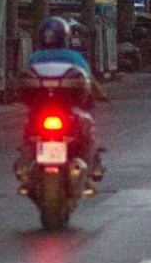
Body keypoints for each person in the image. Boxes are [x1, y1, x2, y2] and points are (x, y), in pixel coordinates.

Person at [27, 17, 107, 173]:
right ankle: (92, 160)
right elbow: (88, 79)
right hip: (69, 106)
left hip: (41, 107)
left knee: (29, 130)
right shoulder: (73, 57)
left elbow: (26, 78)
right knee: (88, 128)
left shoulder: (35, 57)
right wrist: (101, 94)